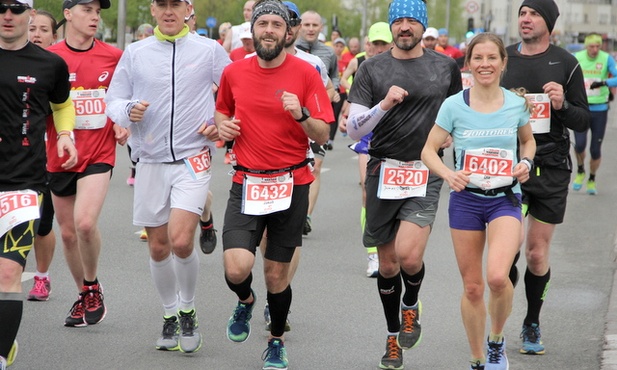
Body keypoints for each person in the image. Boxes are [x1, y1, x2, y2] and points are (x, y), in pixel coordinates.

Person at [105, 0, 230, 353]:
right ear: (153, 9)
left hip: (193, 157)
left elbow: (234, 95)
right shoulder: (136, 52)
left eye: (176, 3)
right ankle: (169, 314)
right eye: (163, 4)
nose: (169, 10)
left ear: (188, 8)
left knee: (179, 241)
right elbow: (114, 99)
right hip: (150, 159)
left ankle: (188, 308)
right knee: (158, 247)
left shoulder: (210, 50)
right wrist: (128, 111)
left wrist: (218, 124)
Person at [215, 0, 333, 368]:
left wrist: (301, 114)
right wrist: (223, 126)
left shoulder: (306, 73)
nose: (268, 30)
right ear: (253, 29)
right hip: (247, 180)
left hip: (292, 182)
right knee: (236, 267)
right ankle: (247, 301)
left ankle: (276, 339)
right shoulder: (234, 72)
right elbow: (222, 109)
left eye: (275, 25)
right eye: (261, 23)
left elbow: (323, 130)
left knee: (276, 274)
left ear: (288, 32)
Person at [346, 0, 462, 368]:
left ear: (423, 27)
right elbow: (353, 128)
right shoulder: (371, 68)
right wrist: (383, 104)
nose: (405, 27)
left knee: (410, 256)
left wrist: (451, 137)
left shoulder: (444, 67)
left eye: (413, 21)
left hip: (424, 170)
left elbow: (459, 112)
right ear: (391, 27)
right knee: (388, 264)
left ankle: (411, 304)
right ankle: (392, 335)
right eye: (399, 21)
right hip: (383, 170)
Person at [422, 32, 536, 370]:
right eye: (478, 58)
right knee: (473, 287)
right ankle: (477, 358)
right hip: (466, 201)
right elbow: (428, 150)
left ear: (503, 63)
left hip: (505, 199)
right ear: (468, 64)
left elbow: (528, 142)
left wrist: (526, 163)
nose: (484, 64)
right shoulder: (454, 104)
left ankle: (497, 341)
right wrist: (447, 173)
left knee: (498, 278)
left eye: (491, 58)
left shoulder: (516, 104)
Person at [500, 0, 590, 356]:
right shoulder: (503, 58)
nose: (525, 18)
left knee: (536, 254)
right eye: (522, 13)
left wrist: (562, 105)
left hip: (550, 165)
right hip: (508, 165)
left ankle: (532, 320)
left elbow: (582, 120)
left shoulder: (566, 63)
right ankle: (498, 323)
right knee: (505, 255)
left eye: (533, 14)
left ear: (548, 23)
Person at [0, 0, 77, 367]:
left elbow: (62, 104)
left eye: (15, 8)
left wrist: (65, 135)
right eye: (0, 7)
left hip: (24, 182)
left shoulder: (50, 64)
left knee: (8, 272)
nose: (7, 14)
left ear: (30, 14)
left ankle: (1, 353)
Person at [46, 0, 127, 328]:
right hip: (60, 155)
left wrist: (123, 121)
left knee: (83, 223)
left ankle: (91, 285)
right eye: (87, 10)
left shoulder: (115, 56)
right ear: (68, 14)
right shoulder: (50, 59)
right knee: (66, 234)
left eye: (98, 12)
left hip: (98, 153)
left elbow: (124, 98)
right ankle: (84, 294)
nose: (95, 17)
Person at [339, 21, 393, 279]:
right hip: (368, 133)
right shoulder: (361, 64)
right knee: (366, 190)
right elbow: (347, 89)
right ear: (369, 44)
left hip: (398, 134)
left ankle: (392, 249)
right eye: (376, 43)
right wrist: (345, 110)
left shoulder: (402, 64)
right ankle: (372, 253)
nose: (380, 48)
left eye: (385, 43)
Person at [296, 9, 340, 234]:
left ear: (321, 28)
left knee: (316, 167)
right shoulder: (287, 50)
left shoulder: (327, 53)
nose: (311, 29)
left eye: (315, 25)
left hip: (316, 119)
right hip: (292, 120)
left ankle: (306, 216)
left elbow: (333, 77)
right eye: (307, 25)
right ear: (299, 26)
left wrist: (334, 91)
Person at [26, 9, 60, 302]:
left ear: (54, 36)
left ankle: (42, 277)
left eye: (43, 30)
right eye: (32, 28)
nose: (36, 35)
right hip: (12, 155)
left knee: (43, 222)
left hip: (47, 156)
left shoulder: (56, 68)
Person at [572, 33, 617, 195]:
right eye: (592, 46)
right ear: (586, 46)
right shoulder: (577, 57)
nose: (595, 49)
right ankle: (580, 170)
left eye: (598, 46)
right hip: (581, 108)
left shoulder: (606, 59)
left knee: (595, 149)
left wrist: (604, 82)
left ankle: (591, 178)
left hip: (600, 109)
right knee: (579, 145)